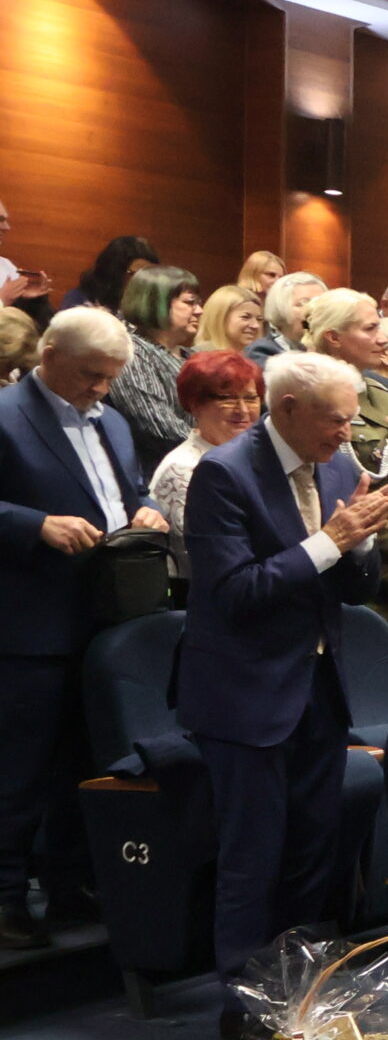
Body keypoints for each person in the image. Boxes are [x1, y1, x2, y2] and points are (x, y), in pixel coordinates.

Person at [181, 352, 388, 1040]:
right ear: (287, 411)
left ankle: (297, 985)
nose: (347, 431)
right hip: (244, 692)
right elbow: (236, 593)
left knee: (313, 843)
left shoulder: (337, 465)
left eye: (352, 417)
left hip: (317, 685)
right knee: (254, 852)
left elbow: (352, 586)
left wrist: (363, 547)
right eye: (336, 418)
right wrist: (332, 539)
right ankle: (244, 1001)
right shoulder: (222, 473)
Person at [0, 309, 169, 947]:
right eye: (89, 375)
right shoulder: (6, 415)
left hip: (104, 622)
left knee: (87, 762)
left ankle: (72, 885)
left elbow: (127, 490)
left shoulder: (115, 420)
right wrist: (32, 523)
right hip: (26, 626)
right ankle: (6, 898)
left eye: (110, 378)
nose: (100, 388)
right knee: (18, 770)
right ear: (47, 352)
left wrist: (147, 509)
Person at [308, 288, 388, 596]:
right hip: (360, 565)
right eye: (370, 329)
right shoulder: (306, 398)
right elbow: (326, 491)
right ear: (333, 337)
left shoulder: (382, 395)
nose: (382, 339)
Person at [151, 351, 263, 575]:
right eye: (227, 398)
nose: (242, 410)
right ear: (195, 405)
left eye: (251, 398)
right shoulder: (183, 469)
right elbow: (206, 563)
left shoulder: (259, 457)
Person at [106, 262, 201, 474]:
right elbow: (158, 427)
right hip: (159, 476)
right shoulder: (131, 353)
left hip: (205, 465)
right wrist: (219, 452)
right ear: (156, 303)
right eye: (190, 303)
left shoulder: (193, 356)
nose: (199, 311)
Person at [62, 236, 159, 315]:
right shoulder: (79, 301)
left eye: (149, 273)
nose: (144, 280)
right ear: (115, 272)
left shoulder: (148, 306)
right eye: (135, 274)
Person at [248, 271, 325, 365]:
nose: (314, 309)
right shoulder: (261, 351)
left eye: (321, 303)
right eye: (303, 303)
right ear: (280, 308)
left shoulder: (331, 347)